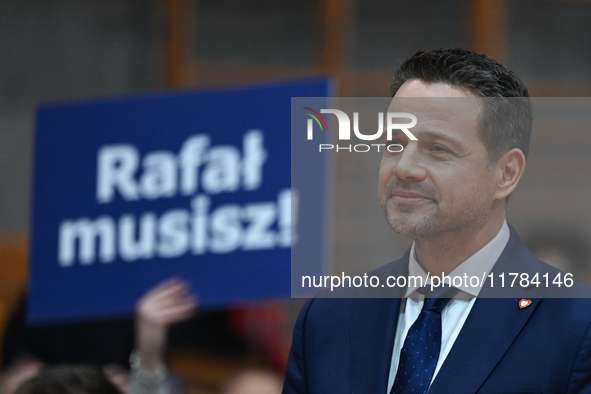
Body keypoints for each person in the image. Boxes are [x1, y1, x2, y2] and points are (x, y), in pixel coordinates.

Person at [283, 48, 591, 394]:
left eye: (437, 149)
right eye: (394, 144)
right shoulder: (327, 319)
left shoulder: (576, 325)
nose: (404, 168)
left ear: (506, 173)